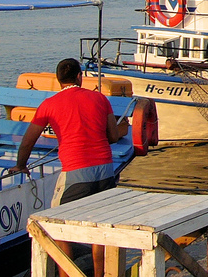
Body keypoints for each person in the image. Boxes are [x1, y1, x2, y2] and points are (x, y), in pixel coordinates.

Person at [8, 59, 128, 277]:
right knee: (99, 227)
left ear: (58, 80)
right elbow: (112, 136)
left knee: (59, 228)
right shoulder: (100, 99)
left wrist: (20, 165)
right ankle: (100, 274)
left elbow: (28, 141)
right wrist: (123, 129)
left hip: (75, 172)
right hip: (105, 170)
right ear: (80, 77)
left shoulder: (49, 105)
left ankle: (67, 274)